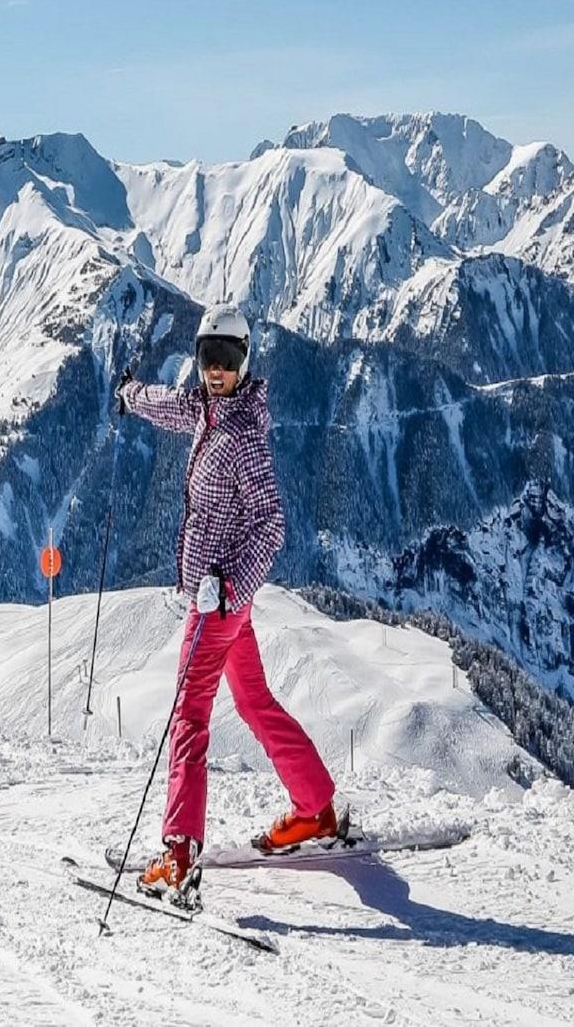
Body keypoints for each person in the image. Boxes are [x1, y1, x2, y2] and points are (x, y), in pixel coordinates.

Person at [117, 306, 339, 900]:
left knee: (189, 716)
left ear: (245, 362)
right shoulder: (206, 411)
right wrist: (131, 396)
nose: (217, 369)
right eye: (208, 357)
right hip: (218, 600)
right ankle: (315, 807)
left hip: (217, 602)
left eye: (229, 358)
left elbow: (271, 525)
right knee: (254, 700)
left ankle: (179, 852)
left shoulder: (242, 437)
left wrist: (230, 587)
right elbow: (170, 405)